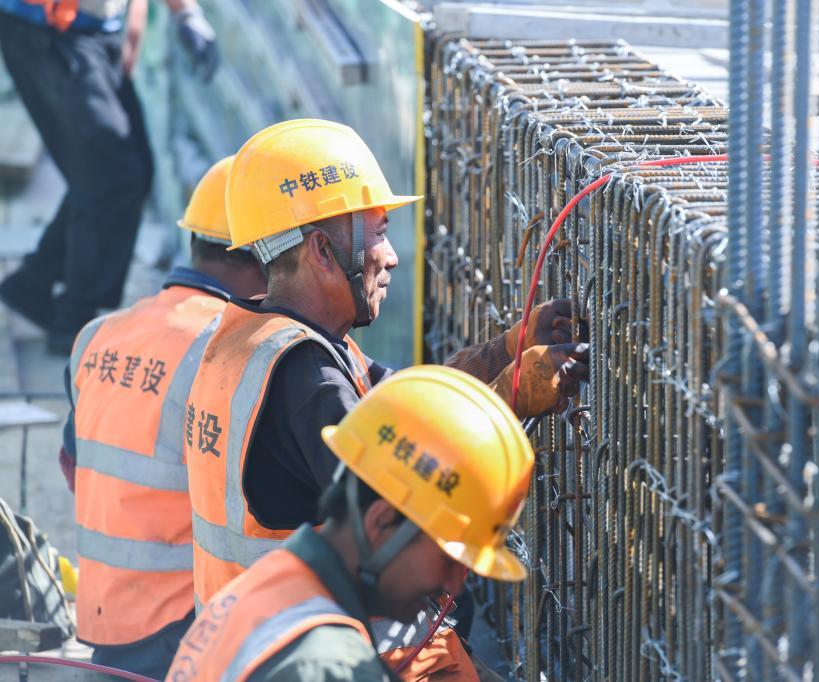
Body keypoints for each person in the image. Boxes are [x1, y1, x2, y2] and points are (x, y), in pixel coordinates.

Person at [182, 119, 586, 677]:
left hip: (265, 633)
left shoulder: (263, 338)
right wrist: (511, 396)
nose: (391, 256)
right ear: (323, 250)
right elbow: (408, 488)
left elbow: (404, 404)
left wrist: (505, 351)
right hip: (335, 652)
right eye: (377, 233)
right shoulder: (305, 378)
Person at [167, 365, 534, 682]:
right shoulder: (328, 662)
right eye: (448, 560)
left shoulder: (270, 583)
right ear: (382, 521)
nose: (453, 586)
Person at [62, 156, 266, 678]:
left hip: (109, 617)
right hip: (188, 625)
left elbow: (73, 464)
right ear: (262, 255)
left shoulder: (100, 333)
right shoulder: (233, 347)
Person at [0, 0, 219, 354]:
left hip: (96, 32)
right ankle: (75, 319)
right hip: (47, 32)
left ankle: (34, 282)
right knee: (111, 174)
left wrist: (179, 15)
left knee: (128, 169)